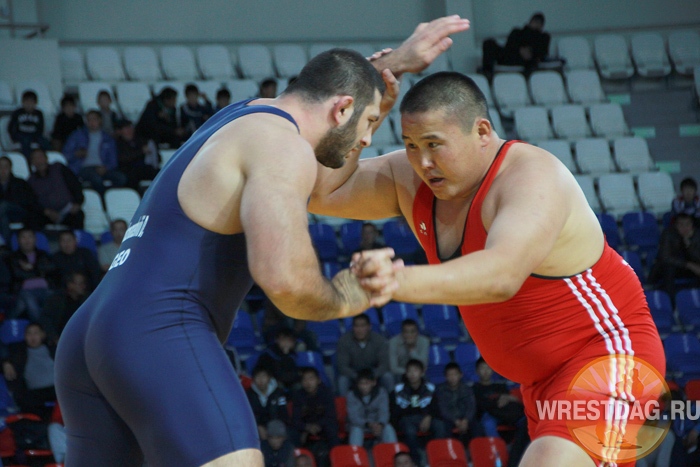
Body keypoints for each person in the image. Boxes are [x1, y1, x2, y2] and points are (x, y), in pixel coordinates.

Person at [53, 17, 471, 465]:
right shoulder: (281, 144)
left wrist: (395, 64)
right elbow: (285, 281)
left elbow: (333, 87)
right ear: (343, 108)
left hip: (89, 337)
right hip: (157, 328)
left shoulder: (244, 116)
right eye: (370, 121)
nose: (367, 139)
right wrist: (345, 296)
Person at [309, 70, 664, 467]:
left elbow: (501, 275)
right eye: (410, 145)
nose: (423, 162)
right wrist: (367, 117)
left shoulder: (531, 177)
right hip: (540, 384)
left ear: (482, 131)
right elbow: (322, 190)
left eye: (434, 145)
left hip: (606, 357)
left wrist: (393, 279)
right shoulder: (410, 180)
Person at [390, 359, 448, 465]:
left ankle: (437, 458)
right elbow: (395, 411)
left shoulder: (430, 388)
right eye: (409, 371)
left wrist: (428, 416)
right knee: (409, 430)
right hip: (406, 419)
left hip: (426, 417)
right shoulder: (398, 389)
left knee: (440, 426)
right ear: (406, 373)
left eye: (415, 371)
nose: (412, 374)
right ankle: (416, 461)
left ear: (422, 372)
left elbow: (437, 408)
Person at [63, 110, 128, 195]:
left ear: (100, 120)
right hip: (83, 167)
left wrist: (106, 168)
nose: (91, 122)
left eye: (94, 119)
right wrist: (76, 154)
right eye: (89, 120)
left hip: (102, 167)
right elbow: (65, 155)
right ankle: (102, 199)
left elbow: (113, 160)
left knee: (121, 178)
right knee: (96, 179)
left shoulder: (108, 139)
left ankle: (110, 196)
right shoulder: (77, 135)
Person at [1, 323, 57, 421]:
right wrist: (5, 363)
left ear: (42, 335)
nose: (32, 337)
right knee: (29, 404)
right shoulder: (18, 351)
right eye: (29, 333)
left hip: (56, 388)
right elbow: (3, 354)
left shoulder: (53, 349)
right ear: (25, 336)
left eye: (36, 333)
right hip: (34, 393)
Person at [27, 148, 85, 230]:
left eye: (40, 157)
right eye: (35, 158)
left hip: (68, 210)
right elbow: (32, 202)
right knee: (33, 219)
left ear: (46, 158)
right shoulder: (31, 180)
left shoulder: (59, 168)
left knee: (78, 215)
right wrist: (46, 211)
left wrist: (77, 203)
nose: (38, 161)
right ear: (32, 162)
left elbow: (75, 185)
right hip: (47, 214)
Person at [337, 313, 394, 396]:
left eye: (363, 326)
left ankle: (391, 405)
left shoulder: (379, 340)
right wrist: (357, 377)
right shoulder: (344, 341)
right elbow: (342, 366)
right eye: (357, 326)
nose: (359, 329)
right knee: (343, 380)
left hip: (373, 374)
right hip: (353, 374)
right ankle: (343, 407)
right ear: (353, 328)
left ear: (369, 327)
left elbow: (384, 364)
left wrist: (371, 377)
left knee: (388, 377)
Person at [7, 228, 57, 323]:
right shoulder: (13, 257)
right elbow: (17, 274)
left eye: (30, 237)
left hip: (46, 289)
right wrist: (39, 271)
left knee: (56, 301)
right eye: (23, 237)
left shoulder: (43, 255)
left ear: (35, 239)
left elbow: (52, 269)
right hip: (25, 291)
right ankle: (41, 329)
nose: (27, 240)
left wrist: (31, 268)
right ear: (18, 240)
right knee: (31, 304)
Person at [481, 12, 550, 77]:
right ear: (530, 22)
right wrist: (519, 50)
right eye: (535, 21)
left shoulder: (543, 37)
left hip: (526, 61)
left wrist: (530, 52)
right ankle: (487, 73)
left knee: (532, 60)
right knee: (489, 43)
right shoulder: (517, 32)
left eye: (539, 23)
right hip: (511, 55)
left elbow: (543, 52)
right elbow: (509, 45)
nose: (536, 24)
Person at [649, 213, 700, 297]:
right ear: (676, 225)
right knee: (669, 269)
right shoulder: (668, 234)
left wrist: (690, 245)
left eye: (688, 224)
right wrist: (688, 265)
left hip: (688, 268)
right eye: (681, 224)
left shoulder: (697, 235)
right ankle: (671, 303)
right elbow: (665, 257)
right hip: (669, 268)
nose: (685, 227)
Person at [290, 367, 339, 452]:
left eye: (311, 379)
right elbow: (295, 419)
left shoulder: (326, 393)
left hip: (322, 425)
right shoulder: (298, 395)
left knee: (332, 429)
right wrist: (306, 427)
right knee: (292, 432)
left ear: (318, 380)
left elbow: (331, 415)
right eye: (304, 380)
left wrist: (318, 425)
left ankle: (336, 457)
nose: (308, 383)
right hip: (305, 426)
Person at [346, 368, 397, 446]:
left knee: (388, 428)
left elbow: (384, 412)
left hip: (378, 424)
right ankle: (354, 455)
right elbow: (353, 417)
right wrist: (368, 424)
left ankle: (394, 453)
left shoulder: (381, 392)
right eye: (361, 383)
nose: (363, 386)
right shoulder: (351, 395)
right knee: (356, 430)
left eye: (366, 383)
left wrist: (380, 424)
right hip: (359, 425)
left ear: (374, 382)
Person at [434, 362, 482, 445]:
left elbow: (471, 406)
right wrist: (455, 420)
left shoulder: (467, 389)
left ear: (461, 375)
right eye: (449, 375)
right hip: (449, 419)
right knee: (443, 427)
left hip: (465, 418)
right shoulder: (440, 390)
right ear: (445, 376)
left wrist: (466, 420)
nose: (452, 377)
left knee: (478, 426)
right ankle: (449, 451)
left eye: (455, 374)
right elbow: (443, 409)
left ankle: (476, 451)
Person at [0, 155, 43, 243]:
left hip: (19, 212)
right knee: (3, 218)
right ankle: (8, 245)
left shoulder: (20, 183)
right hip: (4, 215)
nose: (3, 170)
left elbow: (28, 201)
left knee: (4, 205)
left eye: (6, 167)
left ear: (10, 168)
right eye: (0, 167)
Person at [41, 272, 89, 345]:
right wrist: (55, 338)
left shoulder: (87, 300)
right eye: (80, 284)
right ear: (70, 285)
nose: (83, 286)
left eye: (83, 283)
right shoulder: (56, 300)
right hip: (59, 341)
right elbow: (46, 319)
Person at [246, 365, 290, 441]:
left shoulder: (279, 393)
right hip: (256, 430)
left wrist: (273, 430)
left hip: (276, 429)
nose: (261, 380)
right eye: (258, 377)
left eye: (263, 376)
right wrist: (258, 427)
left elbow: (284, 415)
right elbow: (248, 416)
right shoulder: (249, 395)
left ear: (269, 378)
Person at [114, 119, 159, 189]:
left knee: (159, 173)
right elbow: (123, 158)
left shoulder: (139, 140)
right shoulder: (117, 143)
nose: (130, 131)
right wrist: (141, 151)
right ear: (120, 131)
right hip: (127, 170)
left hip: (142, 168)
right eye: (126, 128)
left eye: (130, 128)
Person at [8, 90, 50, 158]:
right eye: (26, 101)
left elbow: (41, 127)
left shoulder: (39, 113)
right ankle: (27, 160)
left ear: (35, 103)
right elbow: (11, 127)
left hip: (34, 135)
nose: (29, 104)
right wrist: (14, 137)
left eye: (31, 102)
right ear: (22, 102)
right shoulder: (17, 113)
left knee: (45, 143)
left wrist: (37, 136)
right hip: (21, 135)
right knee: (26, 142)